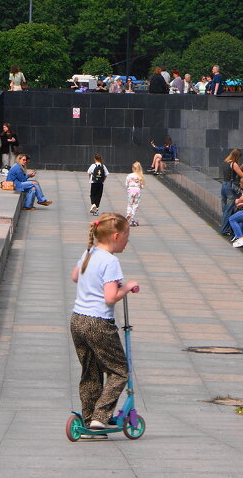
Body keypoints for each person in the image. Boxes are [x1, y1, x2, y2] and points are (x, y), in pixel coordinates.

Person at [70, 213, 139, 435]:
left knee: (90, 371)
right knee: (120, 370)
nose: (127, 241)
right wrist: (127, 287)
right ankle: (101, 415)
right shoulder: (111, 262)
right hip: (99, 322)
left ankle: (89, 416)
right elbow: (110, 297)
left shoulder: (89, 252)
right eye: (127, 236)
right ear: (116, 236)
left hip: (78, 320)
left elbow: (75, 277)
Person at [218, 148, 243, 236]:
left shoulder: (225, 162)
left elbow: (233, 172)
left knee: (225, 208)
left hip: (224, 186)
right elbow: (241, 175)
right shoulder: (233, 163)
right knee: (229, 209)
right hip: (231, 187)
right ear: (237, 156)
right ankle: (224, 230)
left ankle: (225, 228)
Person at [124, 161, 145, 227]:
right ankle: (132, 217)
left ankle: (128, 214)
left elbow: (126, 184)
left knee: (129, 204)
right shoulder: (140, 176)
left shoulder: (129, 175)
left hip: (130, 190)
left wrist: (129, 187)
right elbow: (142, 186)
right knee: (135, 205)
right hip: (137, 191)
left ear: (133, 168)